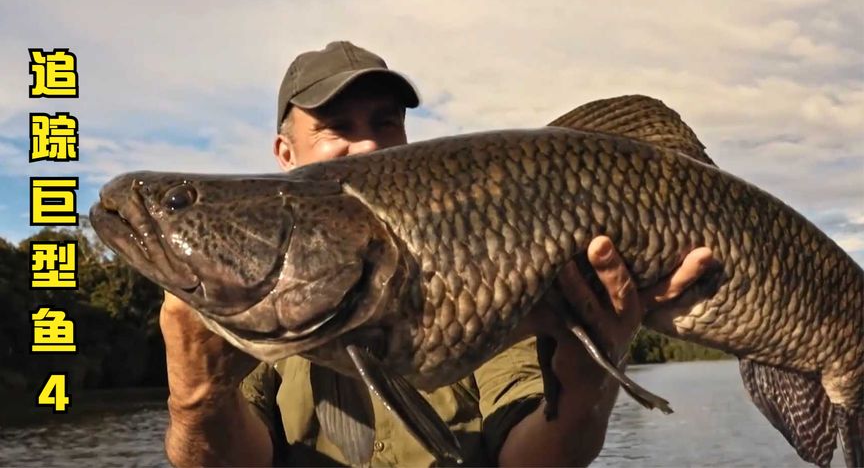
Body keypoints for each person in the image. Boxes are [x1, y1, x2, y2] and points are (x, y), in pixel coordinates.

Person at [160, 41, 717, 467]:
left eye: (386, 123)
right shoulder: (246, 278)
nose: (370, 144)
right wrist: (197, 396)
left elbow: (536, 459)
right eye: (336, 128)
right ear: (286, 153)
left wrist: (593, 375)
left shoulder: (480, 254)